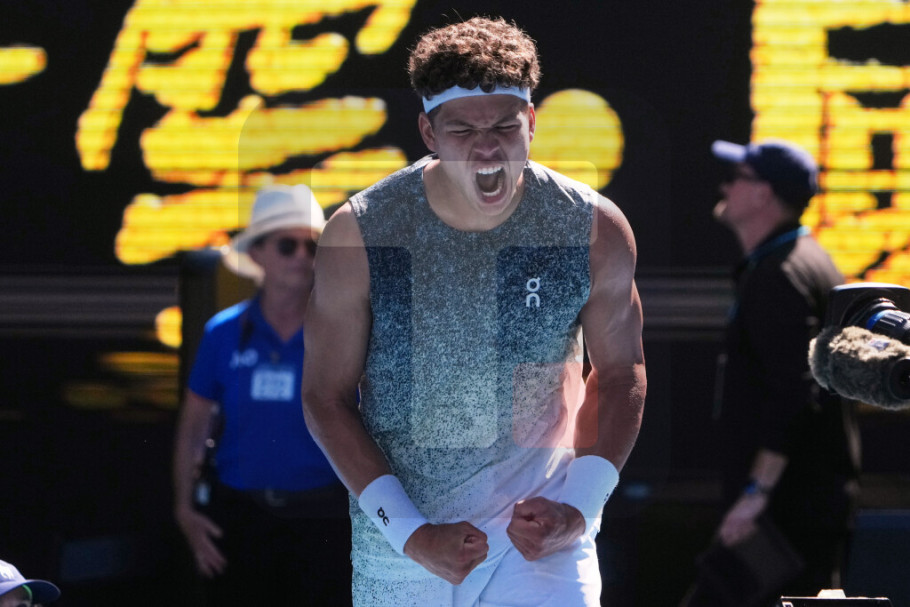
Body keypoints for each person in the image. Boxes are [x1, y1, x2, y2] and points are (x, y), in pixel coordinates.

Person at [302, 16, 647, 607]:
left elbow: (620, 374)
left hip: (540, 536)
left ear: (531, 122)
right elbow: (324, 397)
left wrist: (579, 507)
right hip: (402, 552)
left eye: (505, 127)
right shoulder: (359, 233)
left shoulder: (593, 227)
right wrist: (411, 534)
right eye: (462, 129)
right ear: (429, 132)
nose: (487, 148)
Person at [684, 139, 861, 605]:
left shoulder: (781, 274)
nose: (725, 187)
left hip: (783, 513)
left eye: (736, 178)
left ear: (763, 193)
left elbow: (795, 392)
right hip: (800, 504)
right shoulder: (799, 261)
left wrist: (756, 492)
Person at [172, 184, 353, 605]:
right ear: (256, 253)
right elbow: (193, 429)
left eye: (312, 246)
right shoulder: (222, 332)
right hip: (239, 520)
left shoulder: (344, 331)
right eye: (287, 245)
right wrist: (184, 512)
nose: (302, 256)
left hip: (322, 522)